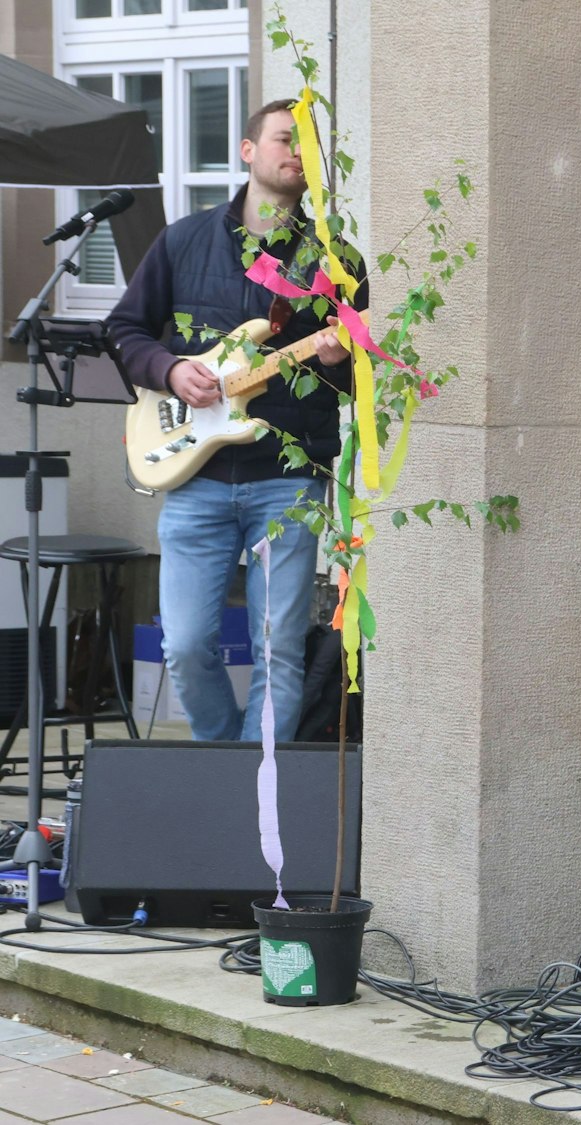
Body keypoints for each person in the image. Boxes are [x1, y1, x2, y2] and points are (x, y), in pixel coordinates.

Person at [107, 98, 364, 744]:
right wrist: (169, 370)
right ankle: (225, 770)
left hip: (289, 475)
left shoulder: (336, 263)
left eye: (308, 145)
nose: (297, 154)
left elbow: (355, 382)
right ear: (248, 151)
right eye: (284, 139)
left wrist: (337, 358)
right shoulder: (185, 240)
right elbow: (124, 329)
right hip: (195, 476)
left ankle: (254, 798)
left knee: (277, 652)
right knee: (187, 646)